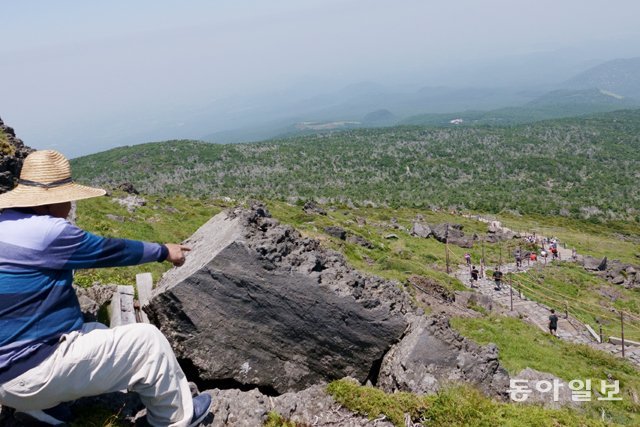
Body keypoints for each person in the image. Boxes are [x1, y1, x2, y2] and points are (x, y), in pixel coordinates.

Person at [0, 150, 211, 426]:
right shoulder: (50, 233)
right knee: (148, 343)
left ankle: (42, 411)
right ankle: (175, 419)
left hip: (7, 379)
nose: (71, 205)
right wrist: (163, 251)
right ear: (50, 203)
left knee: (95, 332)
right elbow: (111, 250)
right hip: (31, 373)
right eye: (68, 198)